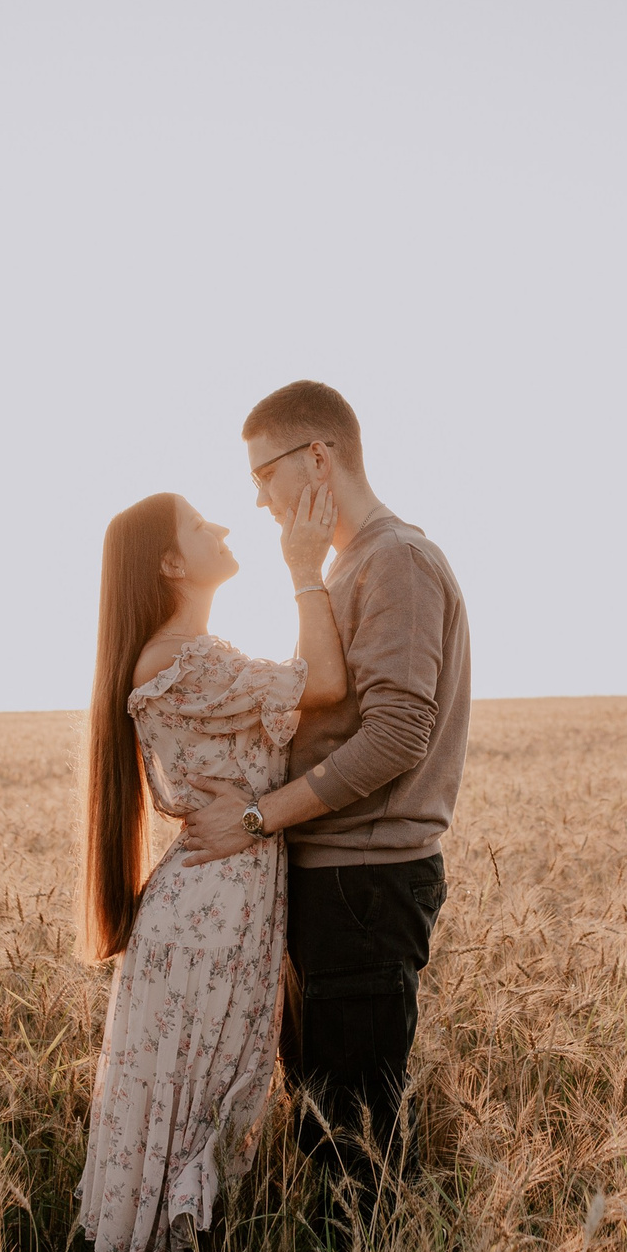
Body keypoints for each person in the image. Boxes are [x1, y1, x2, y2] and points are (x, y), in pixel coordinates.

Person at [75, 484, 346, 1252]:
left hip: (216, 915)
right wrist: (304, 566)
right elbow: (327, 683)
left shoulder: (192, 658)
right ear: (169, 563)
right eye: (200, 525)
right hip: (208, 926)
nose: (223, 525)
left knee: (170, 1140)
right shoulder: (182, 663)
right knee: (173, 1144)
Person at [179, 380, 472, 1200]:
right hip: (337, 882)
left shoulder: (397, 560)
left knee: (355, 1145)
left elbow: (396, 736)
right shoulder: (347, 567)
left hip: (364, 886)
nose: (259, 499)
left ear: (317, 457)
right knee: (324, 1123)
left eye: (264, 474)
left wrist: (254, 818)